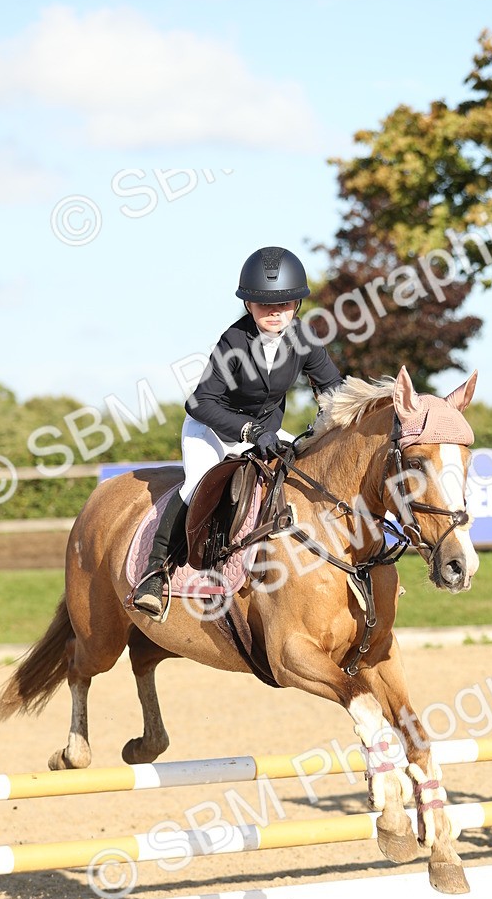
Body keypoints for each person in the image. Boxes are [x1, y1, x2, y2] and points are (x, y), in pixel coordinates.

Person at [134, 245, 342, 619]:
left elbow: (333, 390)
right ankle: (155, 571)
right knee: (196, 483)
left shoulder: (304, 338)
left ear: (297, 304)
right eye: (264, 306)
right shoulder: (234, 342)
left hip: (265, 430)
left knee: (300, 478)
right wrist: (247, 429)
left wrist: (335, 424)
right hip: (213, 427)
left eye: (283, 304)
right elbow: (199, 403)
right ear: (249, 305)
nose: (274, 312)